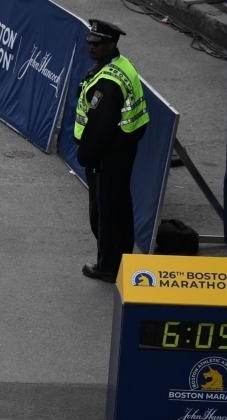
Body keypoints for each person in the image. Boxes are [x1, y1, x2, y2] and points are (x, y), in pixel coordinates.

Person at [74, 19, 149, 282]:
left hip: (107, 155)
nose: (91, 48)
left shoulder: (108, 84)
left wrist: (86, 156)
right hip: (123, 148)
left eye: (97, 44)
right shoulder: (120, 65)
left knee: (104, 213)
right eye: (90, 42)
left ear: (112, 45)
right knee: (119, 206)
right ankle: (122, 259)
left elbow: (99, 128)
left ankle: (108, 266)